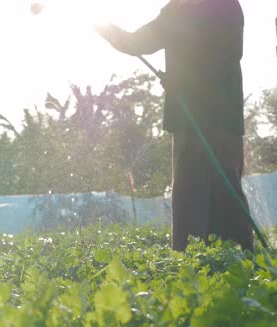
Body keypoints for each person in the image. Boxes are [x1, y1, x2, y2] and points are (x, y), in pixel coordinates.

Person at [95, 0, 254, 251]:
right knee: (190, 196)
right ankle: (191, 263)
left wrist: (184, 81)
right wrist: (102, 26)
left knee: (225, 192)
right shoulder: (176, 10)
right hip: (187, 121)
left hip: (220, 117)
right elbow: (138, 42)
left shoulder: (226, 6)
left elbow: (228, 55)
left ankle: (239, 257)